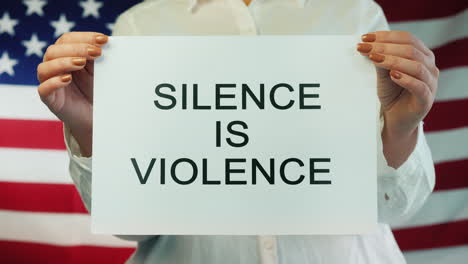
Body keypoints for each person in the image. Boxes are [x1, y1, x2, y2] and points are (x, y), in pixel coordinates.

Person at [37, 0, 438, 263]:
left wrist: (400, 129)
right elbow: (134, 225)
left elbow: (392, 206)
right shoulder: (141, 25)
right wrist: (91, 130)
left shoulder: (354, 14)